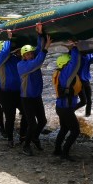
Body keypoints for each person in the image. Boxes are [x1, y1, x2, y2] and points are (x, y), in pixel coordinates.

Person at [16, 24, 52, 156]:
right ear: (23, 56)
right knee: (32, 124)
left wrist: (40, 34)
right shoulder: (22, 65)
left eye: (31, 53)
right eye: (28, 54)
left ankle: (35, 137)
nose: (30, 55)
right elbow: (38, 61)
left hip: (36, 96)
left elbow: (38, 49)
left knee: (43, 121)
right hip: (27, 98)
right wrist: (46, 49)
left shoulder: (31, 58)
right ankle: (26, 145)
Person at [0, 32, 26, 147]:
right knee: (10, 117)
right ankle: (10, 139)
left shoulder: (14, 58)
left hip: (18, 91)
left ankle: (23, 136)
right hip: (5, 93)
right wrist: (9, 39)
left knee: (26, 114)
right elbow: (5, 52)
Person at [53, 43, 83, 161]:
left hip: (60, 107)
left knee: (64, 129)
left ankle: (57, 150)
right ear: (64, 65)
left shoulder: (60, 73)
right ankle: (65, 153)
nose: (69, 64)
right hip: (66, 108)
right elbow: (75, 63)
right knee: (75, 131)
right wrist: (73, 48)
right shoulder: (65, 74)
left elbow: (72, 63)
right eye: (68, 63)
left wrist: (71, 51)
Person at [76, 52, 93, 117]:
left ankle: (87, 115)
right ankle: (70, 111)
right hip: (79, 81)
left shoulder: (89, 55)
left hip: (86, 80)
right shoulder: (78, 55)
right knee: (84, 101)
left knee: (89, 100)